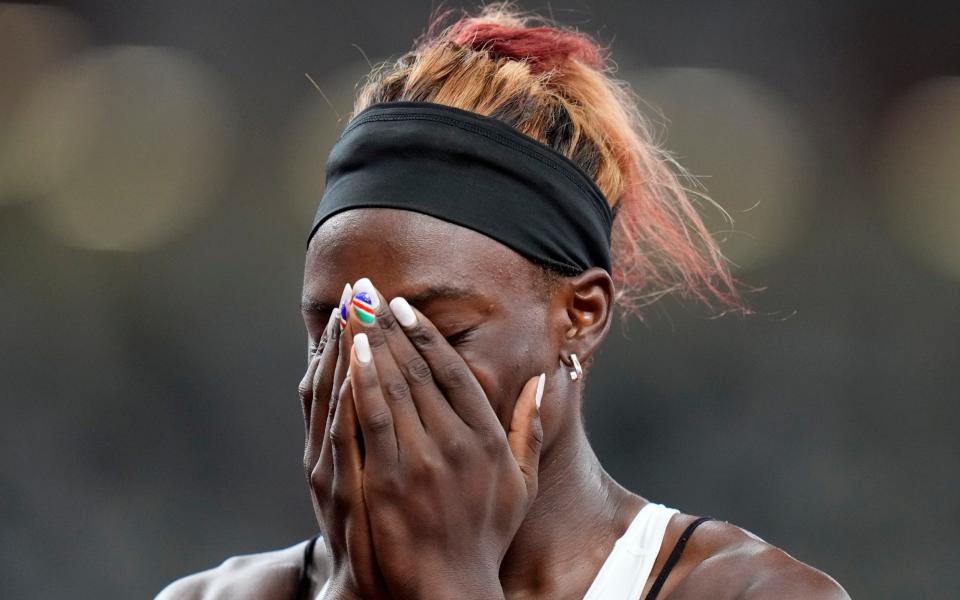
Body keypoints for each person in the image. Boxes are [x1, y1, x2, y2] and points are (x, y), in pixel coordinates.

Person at [157, 3, 850, 599]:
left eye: (439, 331)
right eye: (334, 329)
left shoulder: (750, 593)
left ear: (581, 316)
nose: (369, 375)